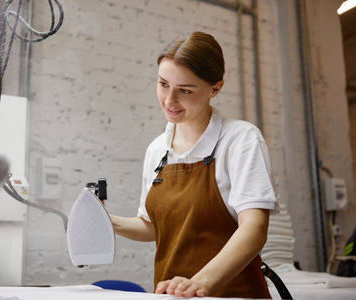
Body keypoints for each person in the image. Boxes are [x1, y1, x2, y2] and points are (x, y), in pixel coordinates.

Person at [109, 31, 277, 298]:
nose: (169, 100)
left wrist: (200, 283)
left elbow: (254, 228)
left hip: (233, 294)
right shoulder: (157, 150)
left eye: (185, 90)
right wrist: (109, 222)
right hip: (172, 295)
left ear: (216, 88)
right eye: (163, 84)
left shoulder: (240, 139)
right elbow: (153, 226)